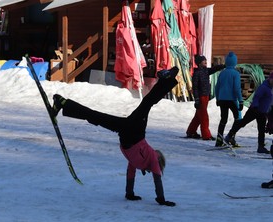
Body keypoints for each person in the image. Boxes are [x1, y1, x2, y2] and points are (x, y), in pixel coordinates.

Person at [51, 67, 179, 207]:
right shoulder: (154, 158)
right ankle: (167, 78)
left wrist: (129, 193)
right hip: (135, 131)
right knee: (147, 103)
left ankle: (62, 102)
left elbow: (130, 174)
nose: (155, 169)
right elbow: (157, 179)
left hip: (126, 130)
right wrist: (161, 199)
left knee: (96, 117)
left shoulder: (137, 163)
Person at [225, 72, 273, 153]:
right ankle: (229, 135)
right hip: (254, 110)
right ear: (270, 79)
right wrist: (255, 106)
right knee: (243, 122)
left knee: (261, 129)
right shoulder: (264, 87)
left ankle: (260, 147)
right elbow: (256, 97)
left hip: (263, 112)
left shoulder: (271, 89)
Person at [186, 54, 225, 140]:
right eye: (204, 60)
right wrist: (196, 99)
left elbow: (214, 69)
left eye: (206, 60)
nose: (206, 61)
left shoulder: (206, 71)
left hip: (206, 96)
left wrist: (223, 66)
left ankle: (191, 131)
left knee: (198, 116)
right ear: (199, 63)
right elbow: (195, 87)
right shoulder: (196, 73)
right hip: (200, 97)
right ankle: (206, 135)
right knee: (204, 116)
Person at [215, 52, 243, 147]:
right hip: (232, 100)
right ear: (235, 62)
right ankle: (231, 136)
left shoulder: (222, 73)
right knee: (238, 119)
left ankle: (219, 140)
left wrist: (218, 98)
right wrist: (241, 100)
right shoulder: (236, 74)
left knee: (223, 119)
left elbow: (217, 87)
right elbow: (236, 88)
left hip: (222, 99)